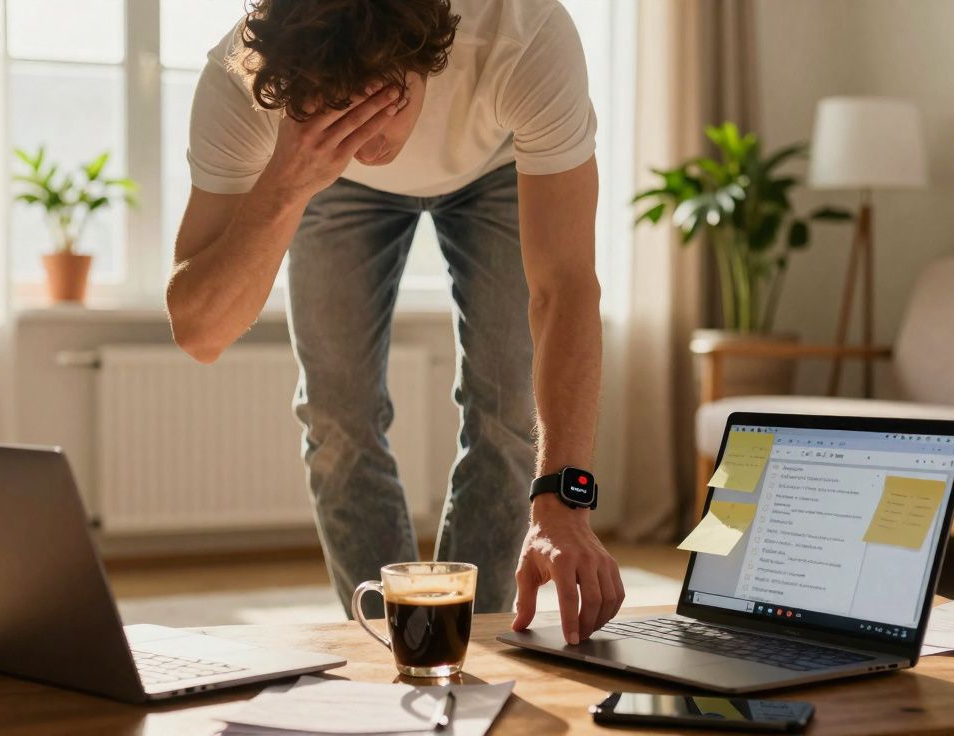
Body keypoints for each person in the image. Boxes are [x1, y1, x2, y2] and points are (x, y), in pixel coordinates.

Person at [166, 0, 623, 645]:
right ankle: (395, 643)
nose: (362, 138)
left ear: (427, 55)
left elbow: (565, 287)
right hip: (318, 172)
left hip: (498, 161)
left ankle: (473, 638)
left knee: (505, 409)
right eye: (332, 108)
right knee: (337, 415)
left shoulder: (521, 33)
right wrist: (285, 187)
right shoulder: (244, 75)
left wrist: (563, 503)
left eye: (375, 104)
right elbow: (200, 333)